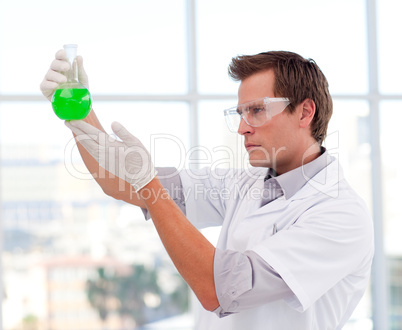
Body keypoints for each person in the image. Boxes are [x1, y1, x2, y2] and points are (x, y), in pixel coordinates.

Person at [40, 49, 374, 329]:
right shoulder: (242, 184)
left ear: (304, 112)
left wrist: (147, 181)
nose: (243, 128)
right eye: (240, 113)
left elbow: (217, 289)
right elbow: (120, 182)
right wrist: (77, 113)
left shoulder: (340, 215)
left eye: (257, 110)